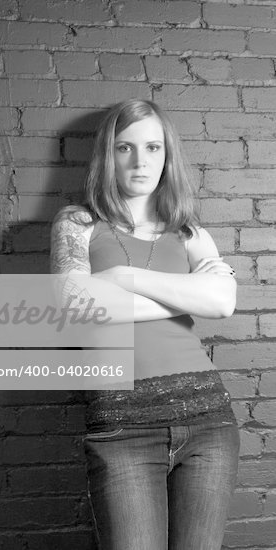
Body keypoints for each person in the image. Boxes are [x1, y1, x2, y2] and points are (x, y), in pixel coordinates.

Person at [50, 99, 239, 550]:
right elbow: (74, 306)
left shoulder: (188, 230)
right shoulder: (78, 223)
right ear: (107, 155)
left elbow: (222, 302)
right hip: (122, 426)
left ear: (166, 155)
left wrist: (124, 279)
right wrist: (183, 296)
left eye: (153, 147)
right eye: (125, 148)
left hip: (209, 423)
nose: (141, 161)